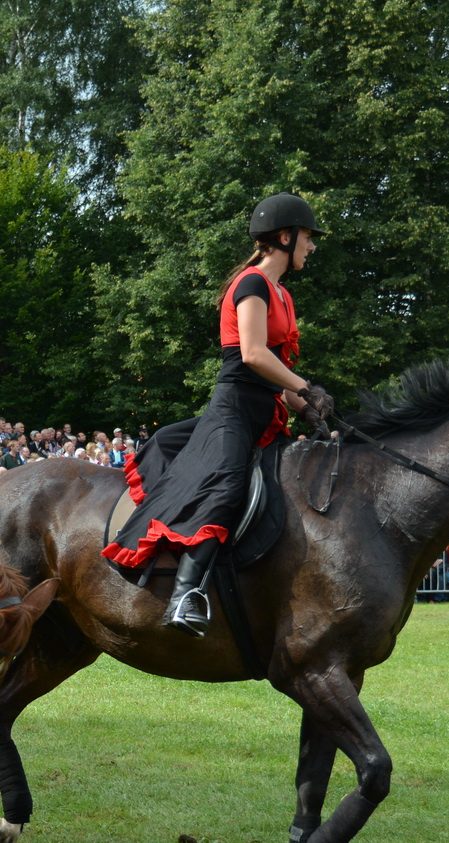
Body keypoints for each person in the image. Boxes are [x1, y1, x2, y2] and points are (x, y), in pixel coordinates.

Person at [102, 194, 333, 634]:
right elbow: (251, 355)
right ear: (285, 238)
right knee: (224, 486)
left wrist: (308, 406)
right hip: (232, 411)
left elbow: (274, 379)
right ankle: (185, 595)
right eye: (308, 237)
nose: (312, 245)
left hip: (264, 414)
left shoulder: (283, 296)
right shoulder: (252, 284)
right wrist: (303, 385)